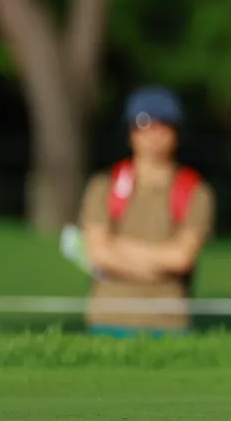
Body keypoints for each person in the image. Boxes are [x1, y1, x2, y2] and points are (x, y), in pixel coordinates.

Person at [75, 85, 215, 337]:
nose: (154, 133)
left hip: (169, 322)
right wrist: (157, 261)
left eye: (163, 124)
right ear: (130, 133)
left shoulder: (195, 192)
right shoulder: (104, 186)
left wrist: (118, 247)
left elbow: (182, 257)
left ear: (177, 132)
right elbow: (98, 253)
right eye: (144, 124)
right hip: (108, 318)